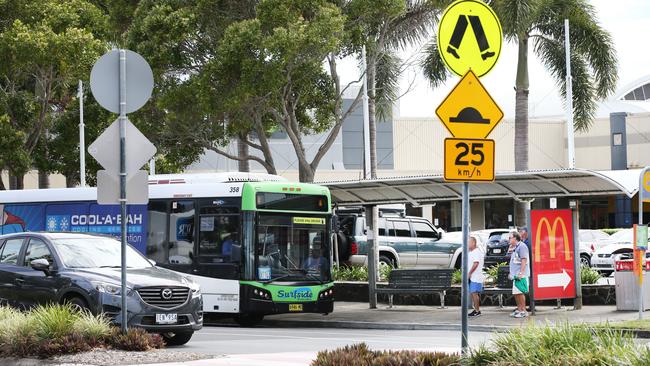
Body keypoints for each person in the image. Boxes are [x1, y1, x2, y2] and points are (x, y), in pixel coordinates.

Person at [508, 231, 530, 318]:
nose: (509, 240)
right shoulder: (515, 247)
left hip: (521, 275)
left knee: (520, 293)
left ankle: (524, 311)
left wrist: (521, 273)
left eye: (510, 238)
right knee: (516, 293)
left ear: (515, 238)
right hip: (515, 275)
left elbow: (524, 260)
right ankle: (519, 309)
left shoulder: (522, 246)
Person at [468, 236, 485, 317]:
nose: (467, 244)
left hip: (475, 276)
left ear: (473, 243)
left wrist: (469, 273)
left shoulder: (476, 252)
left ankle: (477, 310)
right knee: (473, 293)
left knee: (474, 293)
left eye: (469, 242)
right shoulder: (472, 252)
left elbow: (476, 263)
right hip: (473, 276)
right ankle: (476, 309)